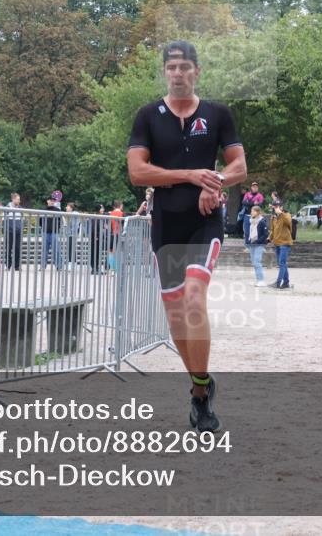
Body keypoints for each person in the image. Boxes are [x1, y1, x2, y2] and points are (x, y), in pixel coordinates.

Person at [126, 39, 247, 433]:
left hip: (204, 221)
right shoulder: (147, 116)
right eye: (171, 67)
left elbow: (239, 165)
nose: (178, 73)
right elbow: (138, 173)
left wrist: (216, 184)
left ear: (197, 71)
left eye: (185, 67)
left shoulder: (217, 114)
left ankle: (199, 392)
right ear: (165, 72)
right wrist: (190, 175)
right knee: (177, 315)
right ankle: (200, 387)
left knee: (195, 297)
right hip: (166, 223)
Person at [269, 201, 293, 289]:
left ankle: (278, 283)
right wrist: (269, 238)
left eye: (277, 206)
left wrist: (281, 213)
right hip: (277, 243)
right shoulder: (273, 218)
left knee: (282, 263)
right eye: (274, 207)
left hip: (285, 243)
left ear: (281, 207)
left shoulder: (286, 215)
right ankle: (286, 282)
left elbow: (288, 222)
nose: (276, 208)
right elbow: (273, 230)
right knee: (282, 263)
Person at [245, 205, 269, 286]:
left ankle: (261, 280)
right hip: (252, 244)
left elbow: (265, 234)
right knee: (254, 262)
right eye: (251, 211)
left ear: (257, 212)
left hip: (259, 244)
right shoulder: (251, 221)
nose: (251, 212)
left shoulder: (262, 221)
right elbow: (249, 233)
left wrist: (258, 241)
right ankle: (258, 280)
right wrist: (248, 243)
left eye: (253, 211)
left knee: (257, 262)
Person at [40, 192, 64, 269]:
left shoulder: (57, 210)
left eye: (53, 200)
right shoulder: (43, 210)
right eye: (51, 200)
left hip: (54, 232)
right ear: (47, 201)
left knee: (56, 250)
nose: (52, 201)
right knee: (44, 250)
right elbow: (40, 221)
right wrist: (44, 227)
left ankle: (59, 266)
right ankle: (43, 266)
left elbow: (60, 221)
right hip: (45, 232)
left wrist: (57, 228)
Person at [4, 193, 23, 271]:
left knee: (17, 248)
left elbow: (22, 218)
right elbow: (4, 219)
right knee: (8, 248)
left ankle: (17, 266)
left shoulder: (20, 208)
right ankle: (8, 265)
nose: (19, 201)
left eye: (19, 199)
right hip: (9, 231)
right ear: (13, 199)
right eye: (18, 199)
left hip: (18, 231)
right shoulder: (7, 207)